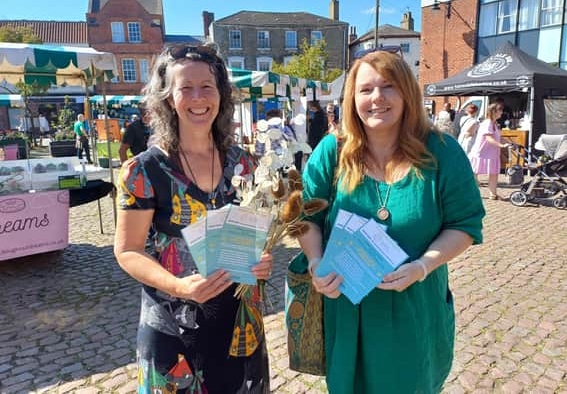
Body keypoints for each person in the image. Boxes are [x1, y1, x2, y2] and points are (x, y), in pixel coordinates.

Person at [297, 50, 484, 393]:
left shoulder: (441, 151)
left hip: (414, 309)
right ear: (352, 98)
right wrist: (315, 260)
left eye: (388, 86)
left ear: (407, 93)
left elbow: (465, 224)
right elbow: (308, 218)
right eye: (366, 89)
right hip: (348, 310)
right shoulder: (332, 151)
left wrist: (423, 266)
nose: (377, 98)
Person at [114, 43, 273, 394]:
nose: (198, 97)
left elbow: (252, 237)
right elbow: (127, 251)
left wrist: (259, 261)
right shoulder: (143, 170)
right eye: (186, 87)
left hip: (240, 329)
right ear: (169, 98)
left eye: (207, 87)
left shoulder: (242, 163)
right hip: (174, 330)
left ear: (221, 95)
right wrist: (179, 286)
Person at [469, 103, 511, 200]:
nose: (501, 112)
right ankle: (471, 193)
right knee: (474, 174)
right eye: (500, 110)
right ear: (494, 112)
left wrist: (508, 142)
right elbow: (488, 138)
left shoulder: (494, 123)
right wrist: (501, 145)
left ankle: (493, 194)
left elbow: (497, 137)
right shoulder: (487, 123)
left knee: (493, 174)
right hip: (482, 153)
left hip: (491, 154)